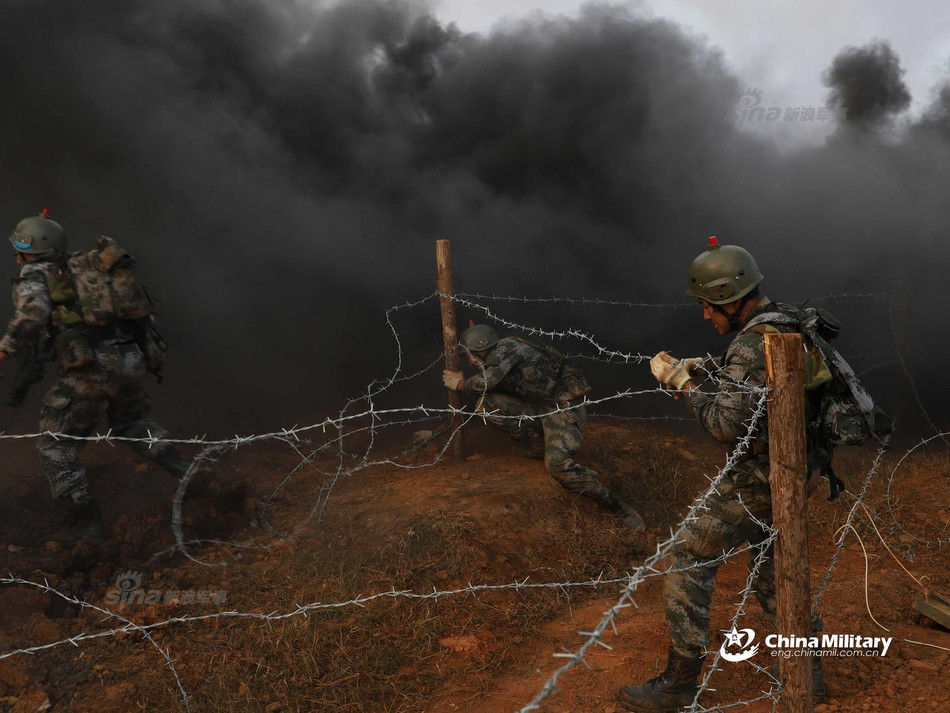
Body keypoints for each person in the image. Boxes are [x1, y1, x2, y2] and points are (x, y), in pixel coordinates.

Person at [619, 237, 831, 711]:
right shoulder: (785, 320)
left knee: (688, 556)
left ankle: (679, 683)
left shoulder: (751, 344)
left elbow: (723, 425)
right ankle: (808, 672)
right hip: (800, 468)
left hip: (765, 476)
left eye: (708, 306)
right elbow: (756, 385)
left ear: (731, 299)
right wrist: (709, 369)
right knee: (772, 567)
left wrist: (684, 384)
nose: (705, 316)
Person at [0, 210, 198, 543]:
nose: (17, 257)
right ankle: (189, 473)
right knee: (133, 424)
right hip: (131, 360)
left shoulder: (36, 273)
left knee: (55, 446)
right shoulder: (85, 267)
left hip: (92, 370)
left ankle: (86, 524)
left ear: (27, 250)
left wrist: (4, 350)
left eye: (19, 250)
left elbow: (31, 317)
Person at [442, 323, 645, 532]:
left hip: (562, 408)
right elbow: (487, 388)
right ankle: (538, 446)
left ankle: (617, 506)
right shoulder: (494, 362)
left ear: (481, 346)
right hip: (537, 407)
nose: (468, 362)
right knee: (486, 405)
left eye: (469, 355)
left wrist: (460, 384)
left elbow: (486, 382)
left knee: (557, 465)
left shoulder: (508, 347)